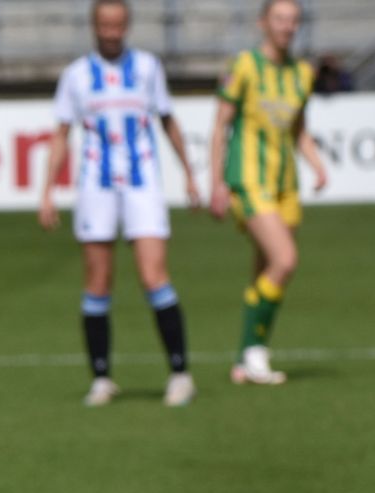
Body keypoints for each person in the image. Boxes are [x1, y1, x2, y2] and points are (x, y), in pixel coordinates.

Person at [39, 0, 200, 408]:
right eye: (105, 25)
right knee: (97, 283)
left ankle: (180, 374)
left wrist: (190, 174)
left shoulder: (148, 68)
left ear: (126, 25)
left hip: (143, 185)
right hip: (96, 187)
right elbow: (61, 134)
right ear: (95, 26)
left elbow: (168, 121)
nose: (111, 32)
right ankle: (102, 378)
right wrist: (47, 192)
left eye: (118, 25)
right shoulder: (76, 75)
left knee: (154, 276)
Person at [209, 0, 328, 386]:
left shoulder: (301, 73)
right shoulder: (244, 66)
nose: (287, 26)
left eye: (293, 20)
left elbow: (298, 129)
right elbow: (220, 125)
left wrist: (317, 164)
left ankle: (245, 360)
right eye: (280, 18)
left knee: (265, 270)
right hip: (249, 180)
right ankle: (256, 354)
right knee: (286, 260)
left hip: (285, 185)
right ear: (263, 23)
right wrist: (216, 182)